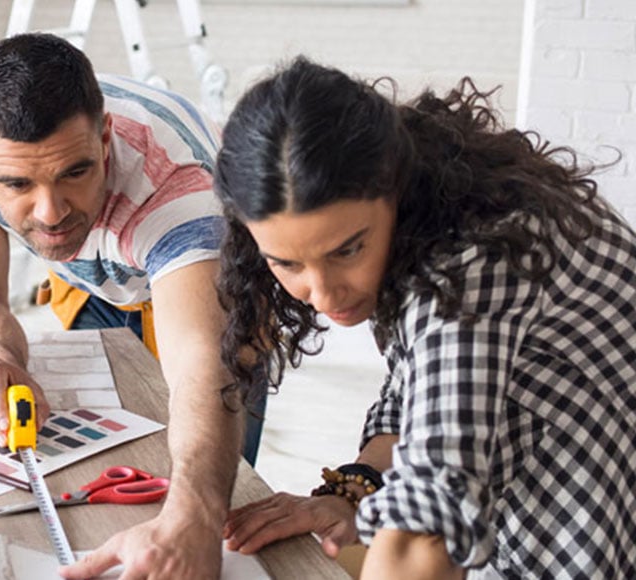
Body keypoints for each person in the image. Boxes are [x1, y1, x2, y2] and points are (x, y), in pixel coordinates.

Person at [213, 56, 636, 579]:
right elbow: (418, 389)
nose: (321, 294)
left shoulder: (474, 263)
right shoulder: (430, 214)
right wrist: (353, 487)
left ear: (393, 186)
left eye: (347, 250)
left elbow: (422, 543)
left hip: (579, 527)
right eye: (288, 263)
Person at [0, 32, 259, 578]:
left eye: (74, 172)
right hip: (95, 279)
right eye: (16, 183)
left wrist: (197, 517)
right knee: (94, 468)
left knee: (212, 498)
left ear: (105, 137)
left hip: (208, 280)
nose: (50, 212)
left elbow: (204, 367)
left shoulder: (179, 188)